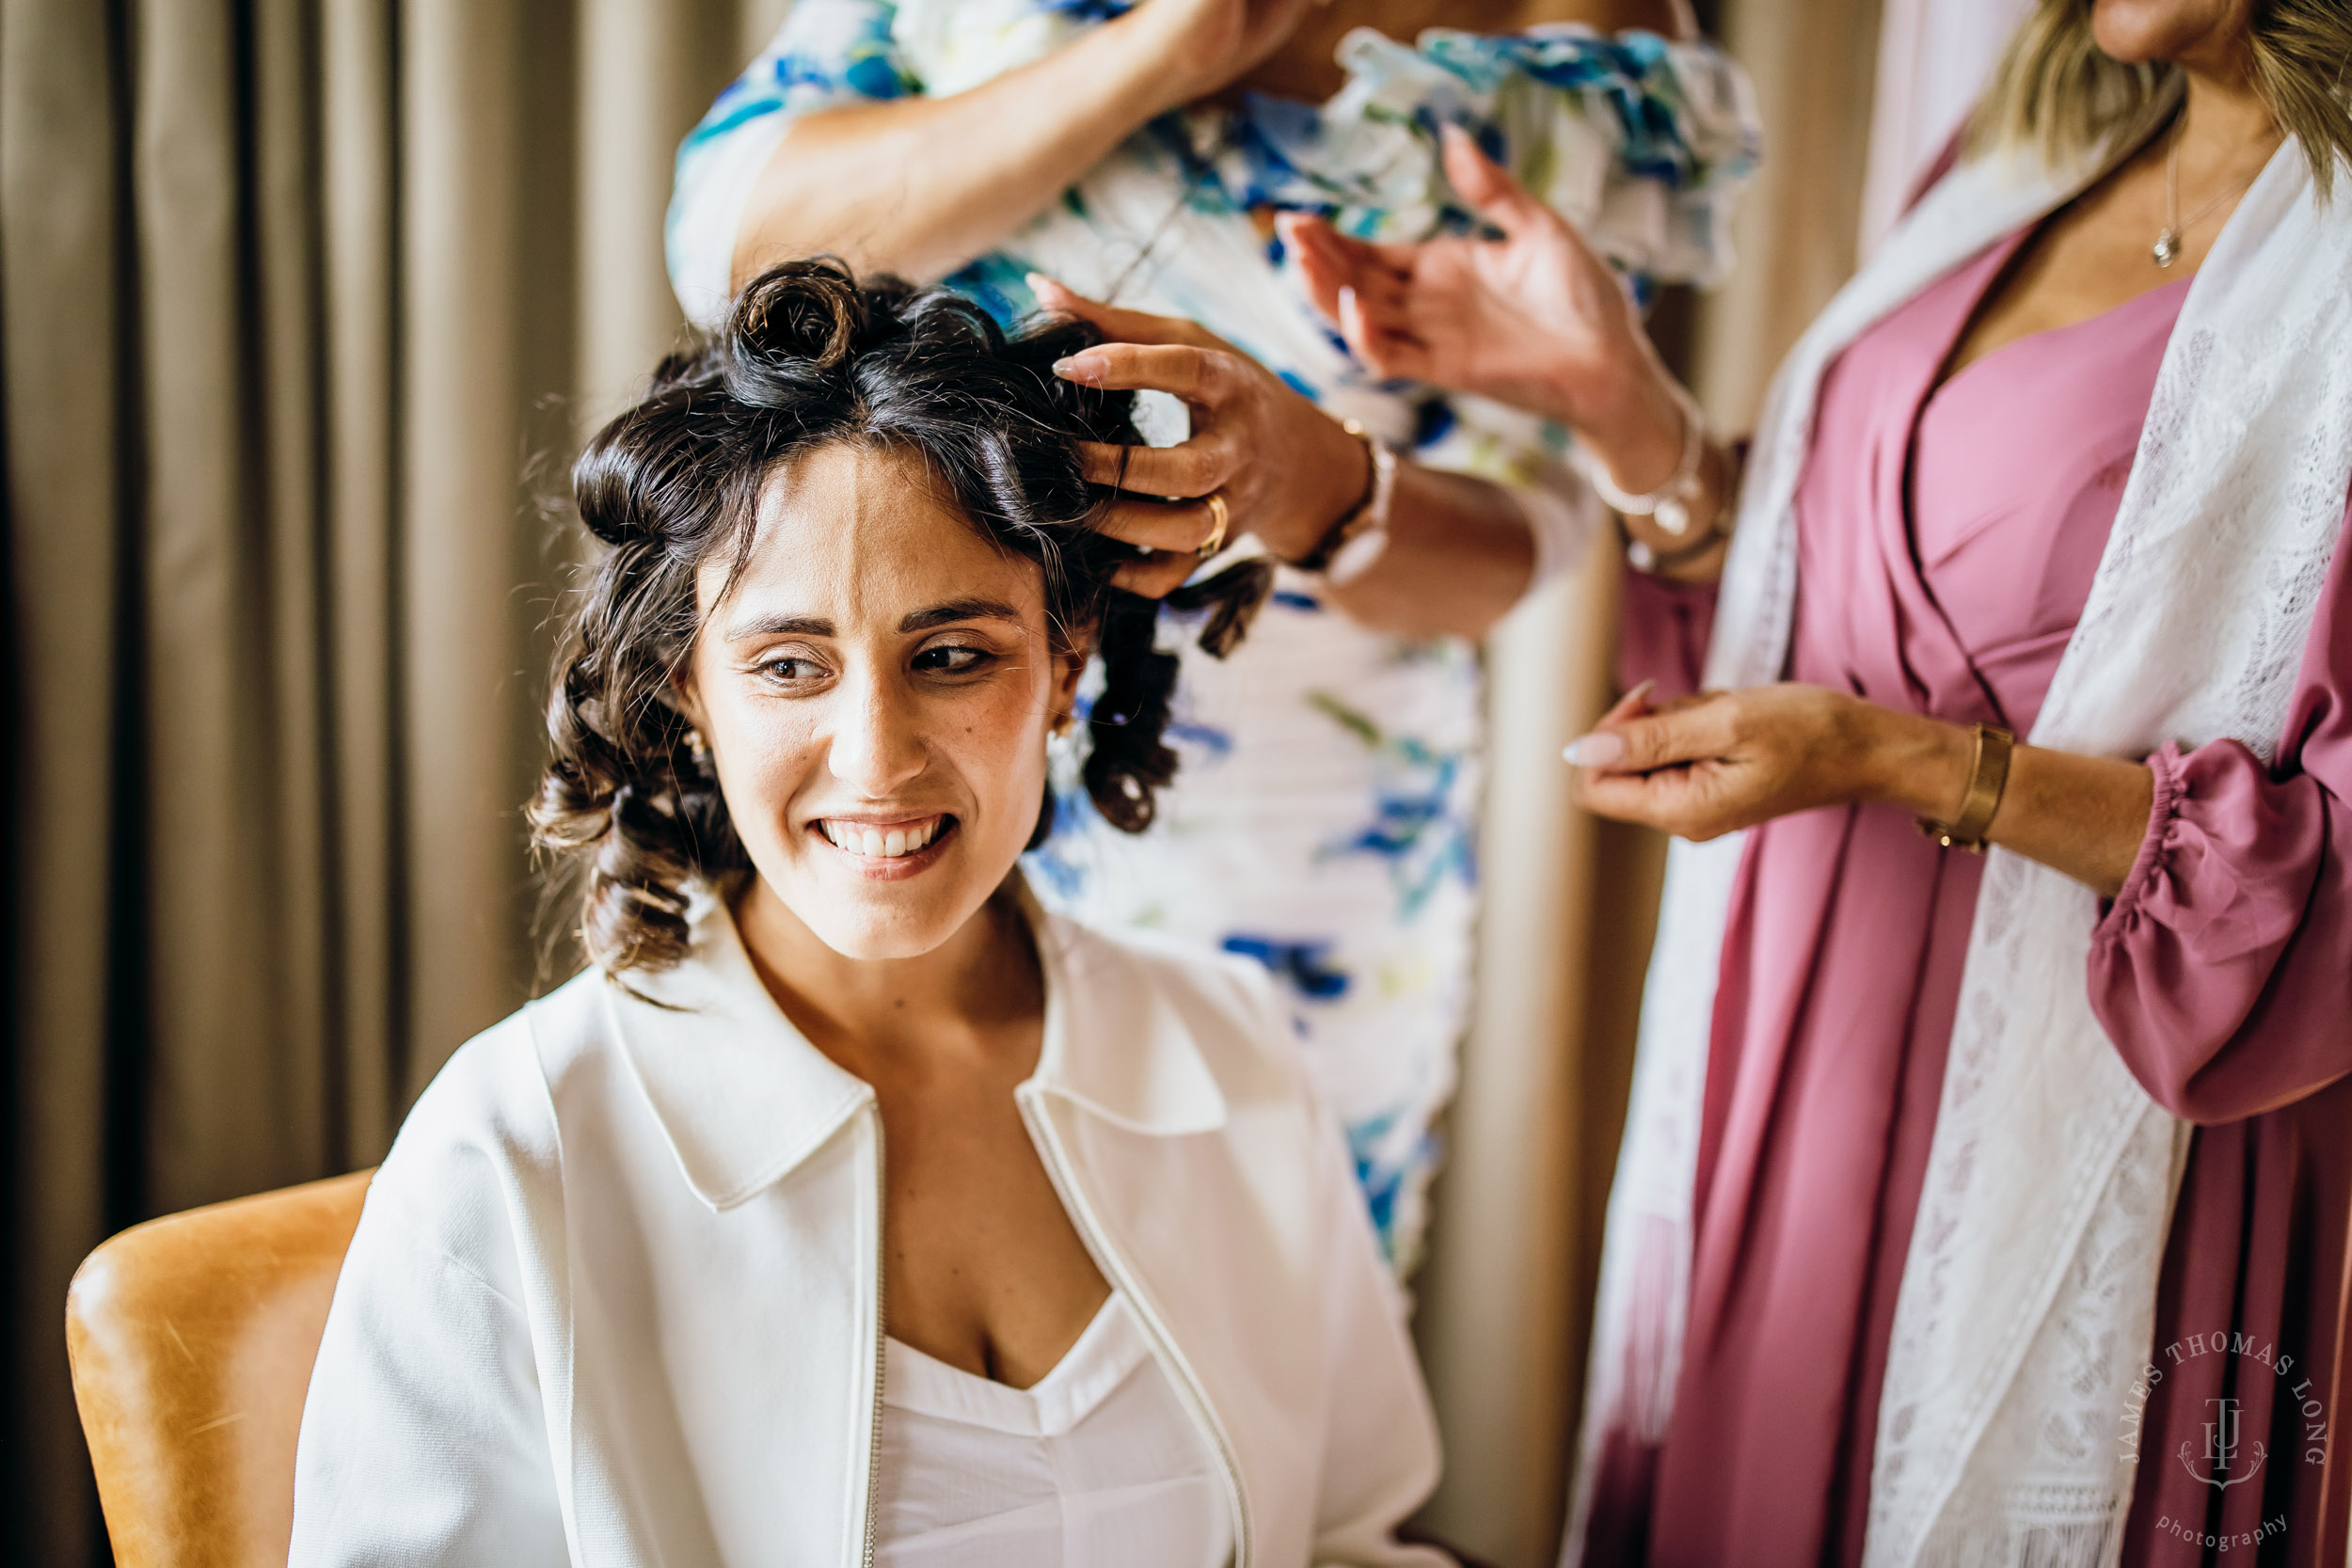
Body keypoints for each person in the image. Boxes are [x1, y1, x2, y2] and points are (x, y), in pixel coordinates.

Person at [1280, 0, 2352, 1560]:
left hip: (2092, 1131)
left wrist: (1888, 758)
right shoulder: (2015, 161)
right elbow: (1829, 592)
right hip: (1796, 1061)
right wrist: (1614, 402)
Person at [286, 262, 1452, 1568]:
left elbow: (1353, 1537)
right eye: (790, 666)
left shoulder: (1229, 1050)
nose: (877, 757)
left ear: (1066, 664)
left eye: (952, 656)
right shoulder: (514, 1152)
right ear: (687, 690)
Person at [663, 0, 1760, 1270]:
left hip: (1286, 837)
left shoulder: (1573, 24)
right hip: (866, 761)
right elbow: (731, 248)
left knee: (1250, 1348)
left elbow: (1539, 531)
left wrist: (1321, 486)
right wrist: (1172, 49)